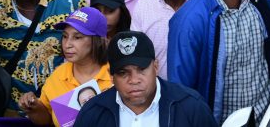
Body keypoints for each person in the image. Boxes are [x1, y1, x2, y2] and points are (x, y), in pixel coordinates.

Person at [74, 30, 218, 127]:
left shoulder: (191, 106)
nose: (134, 80)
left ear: (156, 67)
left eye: (141, 69)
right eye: (123, 72)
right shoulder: (93, 113)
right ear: (111, 76)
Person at [19, 7, 111, 127]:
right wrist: (34, 107)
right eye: (65, 36)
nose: (67, 44)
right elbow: (47, 120)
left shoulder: (116, 74)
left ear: (98, 40)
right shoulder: (58, 76)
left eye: (77, 37)